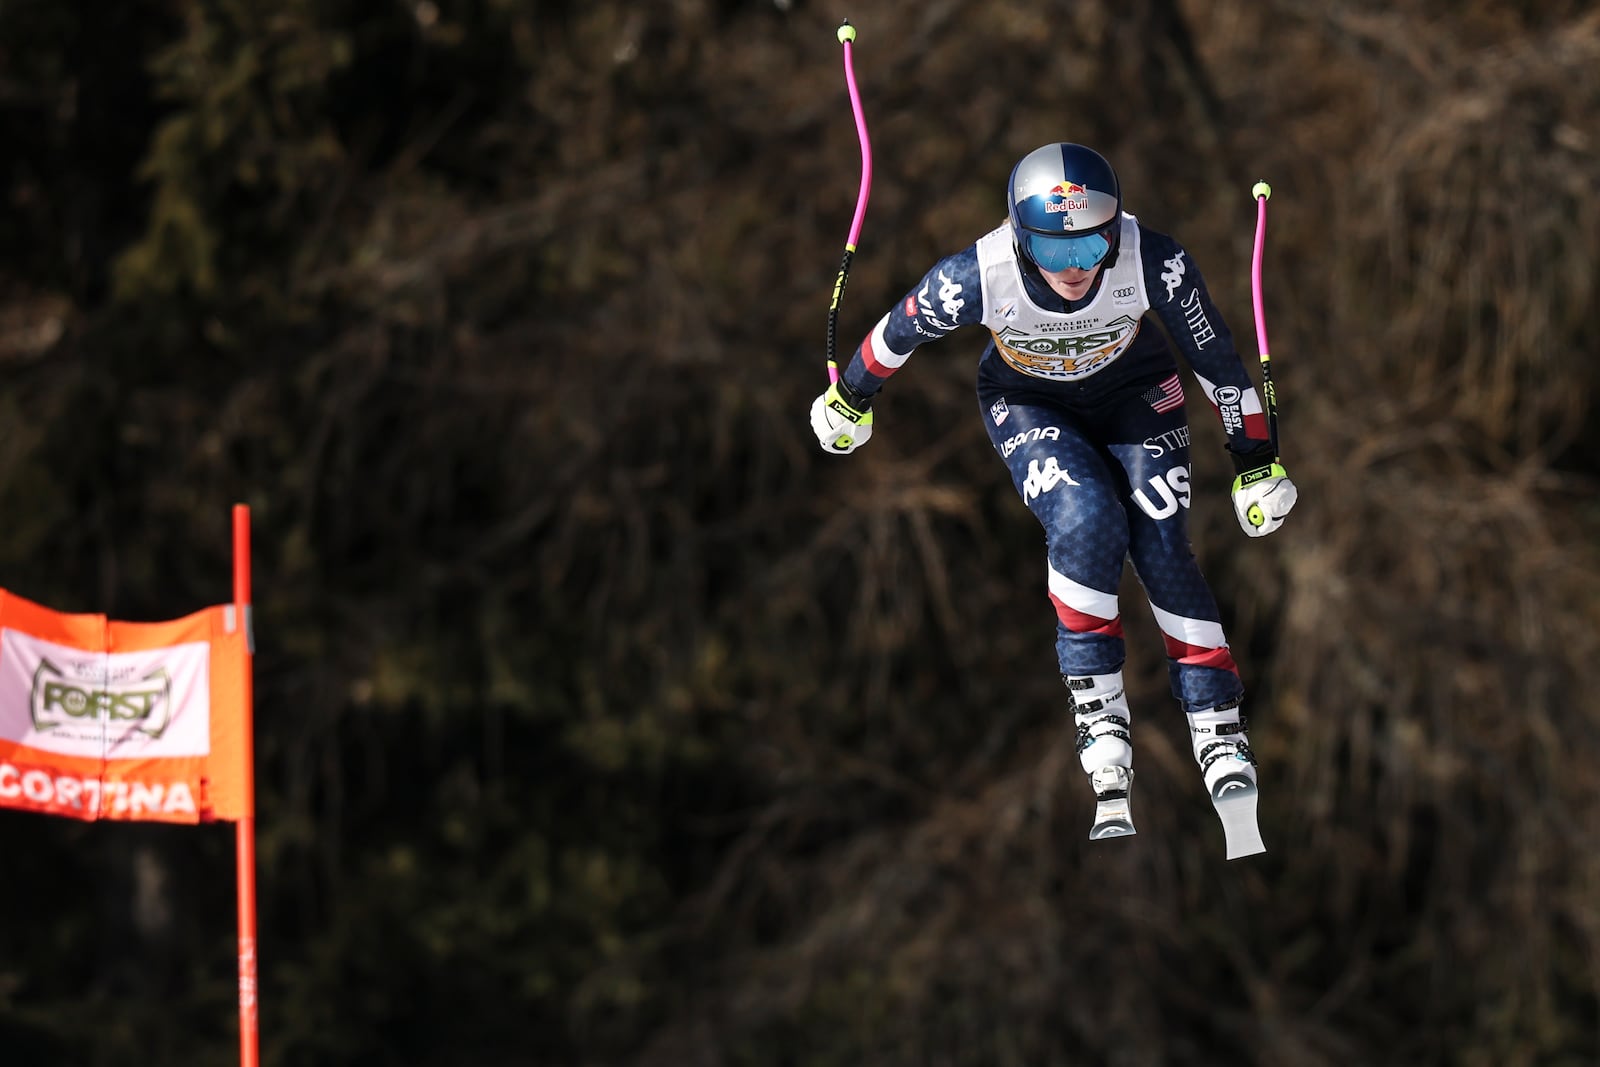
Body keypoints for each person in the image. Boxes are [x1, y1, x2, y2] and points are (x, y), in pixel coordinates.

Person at [809, 142, 1297, 837]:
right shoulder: (980, 273)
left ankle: (1217, 724)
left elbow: (1216, 358)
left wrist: (1257, 460)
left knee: (1159, 538)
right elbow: (897, 332)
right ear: (1016, 231)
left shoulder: (1152, 260)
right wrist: (850, 399)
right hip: (1030, 401)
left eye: (1091, 244)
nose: (1074, 267)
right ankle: (1098, 708)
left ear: (1116, 226)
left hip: (1135, 392)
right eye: (1049, 245)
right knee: (1086, 517)